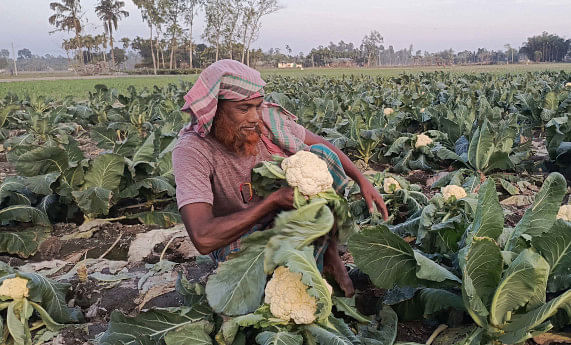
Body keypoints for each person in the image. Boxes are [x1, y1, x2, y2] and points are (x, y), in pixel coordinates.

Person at [173, 59, 388, 296]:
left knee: (322, 158)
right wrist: (271, 202)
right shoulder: (193, 150)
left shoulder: (267, 122)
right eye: (244, 109)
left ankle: (330, 256)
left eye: (257, 106)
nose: (255, 117)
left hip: (284, 216)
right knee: (274, 289)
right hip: (237, 237)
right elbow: (203, 238)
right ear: (216, 110)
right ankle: (309, 277)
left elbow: (321, 144)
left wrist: (362, 180)